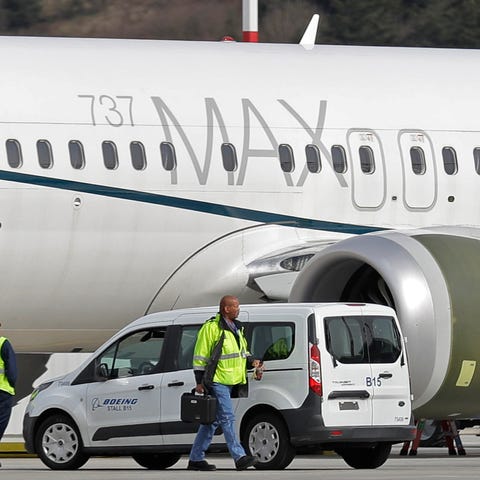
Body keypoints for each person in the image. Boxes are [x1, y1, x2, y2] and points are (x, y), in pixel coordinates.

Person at [188, 295, 262, 471]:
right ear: (225, 309)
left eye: (238, 306)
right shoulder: (212, 328)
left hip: (231, 381)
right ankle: (239, 456)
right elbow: (200, 357)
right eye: (235, 306)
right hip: (217, 381)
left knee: (212, 422)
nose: (238, 309)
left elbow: (242, 352)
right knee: (227, 417)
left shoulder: (237, 328)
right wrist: (199, 382)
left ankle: (195, 458)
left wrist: (252, 361)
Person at [0, 322, 17, 468]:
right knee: (0, 424)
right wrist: (11, 384)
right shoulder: (3, 343)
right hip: (2, 392)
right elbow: (11, 370)